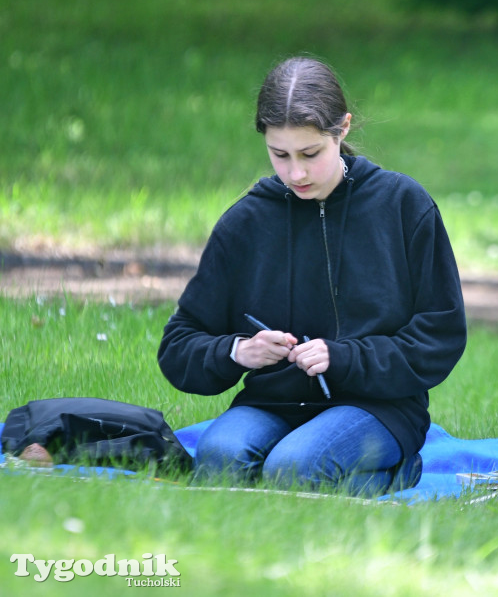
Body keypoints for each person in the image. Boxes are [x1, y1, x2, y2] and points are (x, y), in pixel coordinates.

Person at [158, 56, 467, 495]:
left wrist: (344, 358)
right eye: (279, 155)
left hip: (378, 407)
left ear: (341, 129)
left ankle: (400, 467)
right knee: (220, 459)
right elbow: (179, 345)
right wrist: (238, 351)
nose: (296, 173)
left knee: (293, 468)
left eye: (310, 154)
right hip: (272, 402)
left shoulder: (403, 206)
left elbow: (441, 336)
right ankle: (351, 479)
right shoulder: (245, 222)